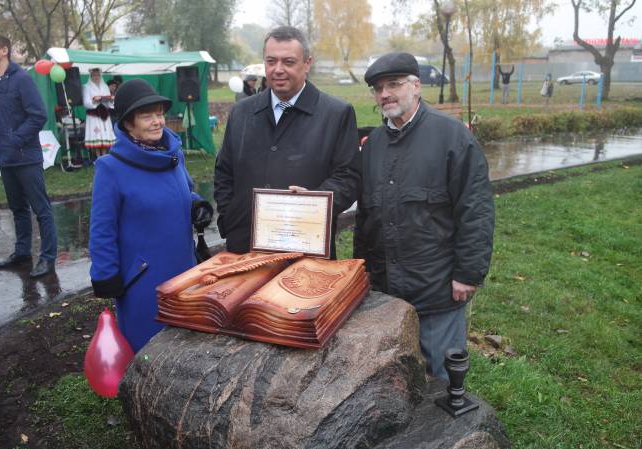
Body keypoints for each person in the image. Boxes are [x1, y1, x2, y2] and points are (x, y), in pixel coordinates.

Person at [354, 52, 495, 380]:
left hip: (437, 287)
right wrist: (360, 273)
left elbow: (475, 208)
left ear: (416, 86)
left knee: (442, 376)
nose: (385, 93)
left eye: (394, 84)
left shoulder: (452, 137)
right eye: (378, 88)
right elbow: (366, 217)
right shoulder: (373, 145)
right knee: (394, 373)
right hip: (385, 289)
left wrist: (469, 272)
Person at [89, 78, 212, 353]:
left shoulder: (173, 155)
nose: (157, 121)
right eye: (147, 116)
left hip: (184, 270)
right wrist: (106, 274)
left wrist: (196, 205)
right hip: (144, 283)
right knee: (148, 352)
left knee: (186, 346)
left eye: (159, 114)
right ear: (127, 123)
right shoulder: (111, 169)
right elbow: (101, 229)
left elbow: (183, 192)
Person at [214, 26, 360, 258]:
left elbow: (349, 177)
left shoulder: (336, 114)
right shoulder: (242, 112)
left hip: (305, 246)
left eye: (288, 62)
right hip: (244, 244)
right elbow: (224, 171)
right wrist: (230, 214)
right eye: (271, 61)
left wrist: (313, 202)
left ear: (307, 63)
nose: (278, 70)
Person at [0, 32, 57, 278]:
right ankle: (23, 252)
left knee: (41, 209)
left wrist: (14, 141)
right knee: (18, 208)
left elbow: (38, 115)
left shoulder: (21, 79)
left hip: (26, 156)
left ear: (4, 50)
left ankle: (47, 258)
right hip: (6, 158)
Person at [83, 68, 115, 158]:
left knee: (104, 136)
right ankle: (98, 157)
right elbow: (86, 103)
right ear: (91, 76)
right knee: (96, 136)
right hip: (94, 115)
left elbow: (109, 103)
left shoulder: (105, 86)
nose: (96, 77)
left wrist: (110, 99)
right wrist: (94, 100)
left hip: (104, 114)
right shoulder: (86, 87)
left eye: (98, 75)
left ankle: (104, 156)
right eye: (94, 75)